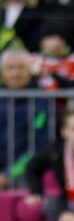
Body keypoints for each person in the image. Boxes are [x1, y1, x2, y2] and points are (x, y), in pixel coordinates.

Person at [0, 46, 49, 188]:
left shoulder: (42, 101)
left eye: (21, 67)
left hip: (25, 171)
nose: (16, 73)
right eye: (10, 68)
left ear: (30, 70)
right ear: (2, 72)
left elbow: (39, 144)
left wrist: (9, 174)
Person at [32, 20, 74, 90]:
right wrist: (34, 76)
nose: (56, 43)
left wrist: (51, 74)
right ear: (42, 41)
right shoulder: (33, 59)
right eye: (51, 38)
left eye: (60, 38)